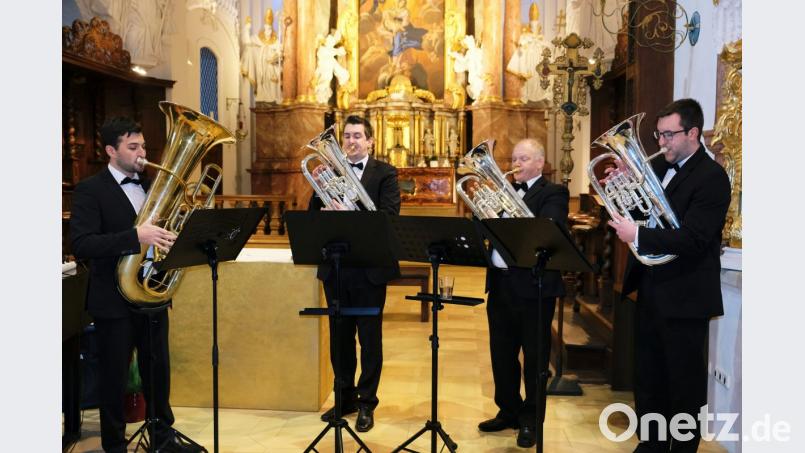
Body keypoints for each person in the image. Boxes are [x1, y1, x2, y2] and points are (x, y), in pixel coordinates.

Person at [606, 99, 731, 453]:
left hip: (687, 297)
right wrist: (622, 190)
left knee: (684, 385)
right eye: (658, 134)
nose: (661, 143)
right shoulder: (661, 165)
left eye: (668, 135)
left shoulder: (712, 177)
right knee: (649, 377)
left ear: (693, 133)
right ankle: (652, 445)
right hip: (652, 290)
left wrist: (639, 236)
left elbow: (694, 238)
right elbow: (641, 213)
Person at [70, 117, 187, 452]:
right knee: (114, 376)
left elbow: (162, 234)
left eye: (144, 146)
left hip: (151, 295)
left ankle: (163, 438)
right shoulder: (91, 190)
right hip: (113, 299)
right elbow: (82, 244)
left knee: (158, 372)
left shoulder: (153, 186)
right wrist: (135, 236)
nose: (141, 154)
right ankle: (114, 444)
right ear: (111, 150)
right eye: (132, 147)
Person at [308, 115, 401, 432]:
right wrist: (323, 212)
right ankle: (344, 398)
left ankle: (366, 403)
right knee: (340, 341)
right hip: (337, 269)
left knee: (370, 341)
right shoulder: (328, 172)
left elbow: (389, 216)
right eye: (346, 136)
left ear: (371, 141)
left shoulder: (385, 174)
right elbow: (311, 216)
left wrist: (351, 211)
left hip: (370, 270)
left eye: (358, 136)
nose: (351, 141)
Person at [477, 138, 569, 448]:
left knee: (534, 358)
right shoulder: (501, 191)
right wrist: (486, 211)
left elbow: (547, 228)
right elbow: (482, 232)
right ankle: (508, 410)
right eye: (514, 157)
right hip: (501, 283)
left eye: (524, 158)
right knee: (501, 354)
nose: (516, 163)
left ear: (540, 164)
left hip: (534, 287)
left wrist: (505, 210)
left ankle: (531, 420)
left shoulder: (553, 193)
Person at [506, 3, 552, 104]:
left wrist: (539, 43)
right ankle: (529, 93)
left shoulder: (542, 40)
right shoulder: (525, 37)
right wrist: (526, 44)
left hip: (538, 61)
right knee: (531, 77)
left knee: (538, 76)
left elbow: (547, 50)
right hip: (529, 61)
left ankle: (541, 93)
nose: (534, 13)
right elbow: (520, 51)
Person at [313, 30, 350, 104]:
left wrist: (340, 50)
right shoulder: (323, 49)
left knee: (328, 77)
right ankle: (320, 95)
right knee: (326, 77)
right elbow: (333, 51)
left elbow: (336, 52)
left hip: (328, 66)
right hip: (324, 66)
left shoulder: (329, 52)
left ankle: (322, 97)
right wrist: (339, 51)